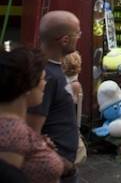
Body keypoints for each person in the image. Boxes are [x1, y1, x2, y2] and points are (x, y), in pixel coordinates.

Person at [0, 43, 68, 183]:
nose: (45, 84)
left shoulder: (13, 127)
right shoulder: (11, 131)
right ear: (27, 85)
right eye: (42, 79)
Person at [27, 11, 80, 183]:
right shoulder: (46, 76)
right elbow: (31, 131)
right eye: (77, 34)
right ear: (65, 40)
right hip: (55, 169)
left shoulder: (54, 70)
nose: (79, 37)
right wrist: (58, 163)